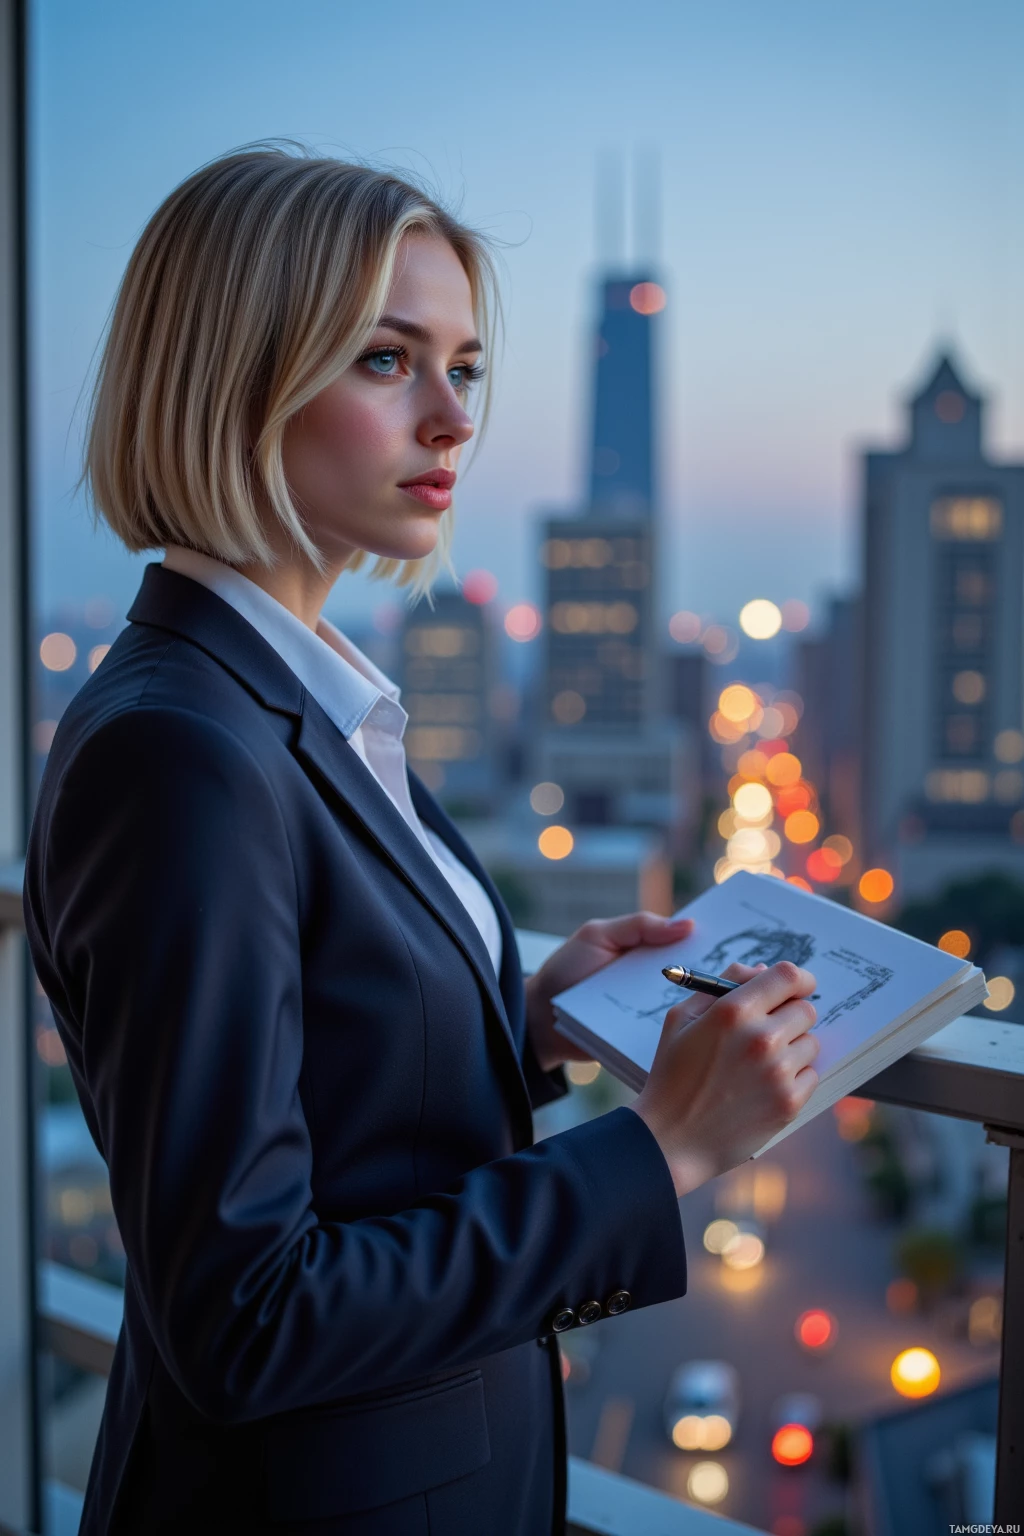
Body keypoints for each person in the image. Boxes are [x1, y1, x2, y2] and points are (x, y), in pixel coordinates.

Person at [22, 146, 820, 1536]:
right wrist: (663, 1151)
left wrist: (527, 1023)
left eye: (466, 368)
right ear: (235, 376)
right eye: (389, 361)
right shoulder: (183, 750)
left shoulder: (303, 693)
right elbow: (245, 1314)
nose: (453, 420)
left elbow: (316, 1084)